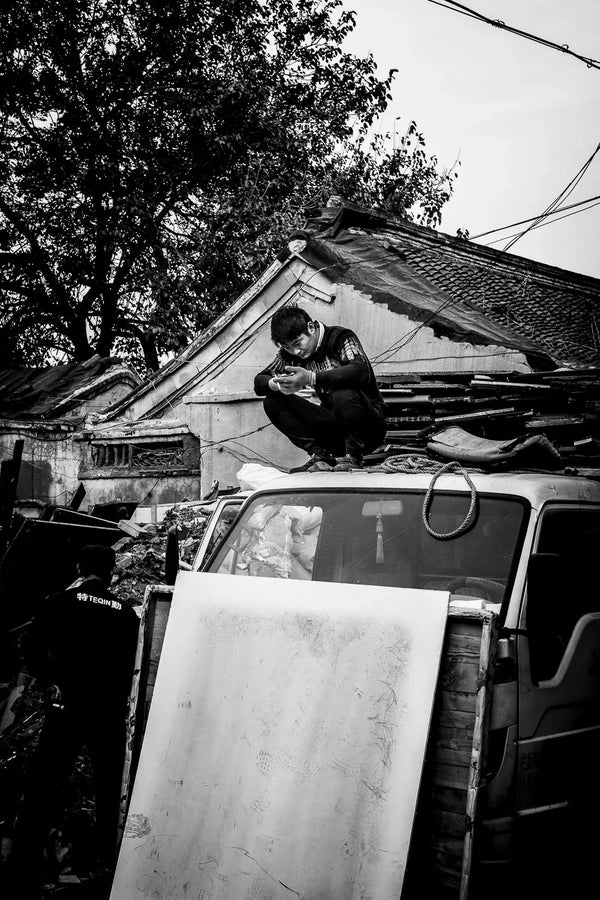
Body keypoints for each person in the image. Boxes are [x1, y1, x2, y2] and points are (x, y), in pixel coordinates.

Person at [4, 544, 139, 896]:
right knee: (109, 789)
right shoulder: (127, 614)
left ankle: (22, 864)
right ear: (110, 573)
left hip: (67, 710)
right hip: (107, 714)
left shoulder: (59, 603)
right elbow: (132, 669)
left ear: (80, 567)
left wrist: (50, 682)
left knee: (44, 785)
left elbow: (30, 647)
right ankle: (108, 864)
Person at [254, 306, 387, 471]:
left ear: (311, 327)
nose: (295, 351)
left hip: (368, 427)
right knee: (272, 401)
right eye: (288, 347)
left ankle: (353, 456)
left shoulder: (341, 338)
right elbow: (259, 382)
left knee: (342, 393)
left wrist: (311, 377)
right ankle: (320, 454)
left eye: (297, 343)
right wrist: (277, 383)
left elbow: (361, 370)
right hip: (334, 429)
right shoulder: (289, 354)